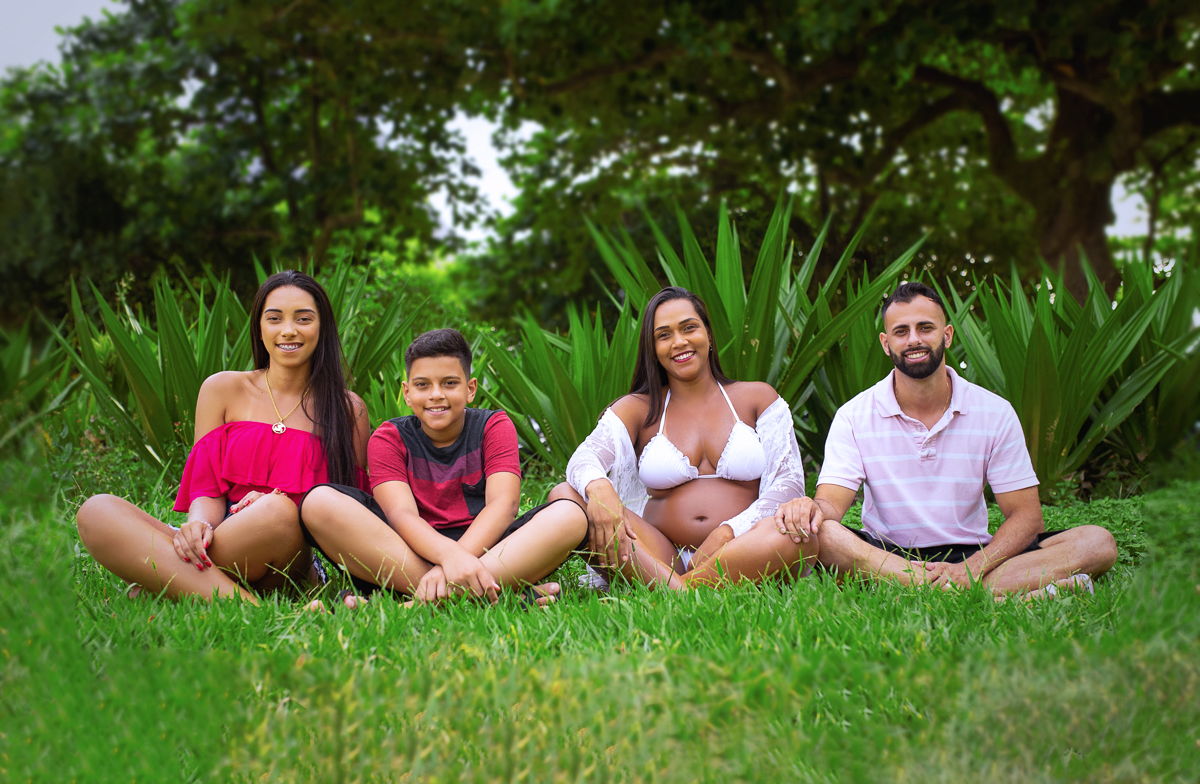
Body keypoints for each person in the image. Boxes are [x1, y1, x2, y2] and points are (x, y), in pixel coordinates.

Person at [774, 281, 1118, 598]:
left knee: (1096, 542)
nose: (914, 340)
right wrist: (810, 507)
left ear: (947, 335)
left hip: (973, 553)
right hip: (888, 553)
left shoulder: (994, 412)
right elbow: (832, 506)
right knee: (827, 534)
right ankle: (988, 592)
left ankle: (948, 587)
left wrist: (972, 568)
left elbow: (1027, 517)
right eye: (901, 331)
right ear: (885, 342)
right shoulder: (854, 415)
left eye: (925, 328)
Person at [75, 271, 370, 603]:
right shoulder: (222, 389)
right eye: (274, 319)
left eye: (303, 319)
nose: (288, 330)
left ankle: (171, 581)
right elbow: (207, 487)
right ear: (259, 328)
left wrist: (285, 504)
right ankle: (238, 598)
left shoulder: (348, 409)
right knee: (96, 511)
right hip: (224, 539)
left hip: (291, 552)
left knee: (275, 511)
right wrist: (198, 524)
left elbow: (349, 515)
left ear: (322, 328)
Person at [298, 328, 587, 608]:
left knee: (570, 514)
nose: (436, 394)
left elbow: (504, 505)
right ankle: (493, 593)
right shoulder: (388, 437)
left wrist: (452, 563)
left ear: (470, 389)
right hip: (408, 554)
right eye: (423, 385)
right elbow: (401, 515)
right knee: (319, 502)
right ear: (408, 392)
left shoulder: (494, 426)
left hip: (490, 549)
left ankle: (413, 602)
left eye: (449, 383)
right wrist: (449, 557)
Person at [551, 286, 816, 590]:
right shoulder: (638, 408)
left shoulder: (756, 397)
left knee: (800, 536)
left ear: (709, 334)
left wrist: (728, 531)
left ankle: (672, 591)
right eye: (664, 335)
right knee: (565, 497)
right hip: (655, 554)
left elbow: (788, 482)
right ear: (653, 348)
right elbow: (584, 459)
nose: (679, 342)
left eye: (689, 328)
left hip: (744, 547)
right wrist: (599, 487)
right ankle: (684, 590)